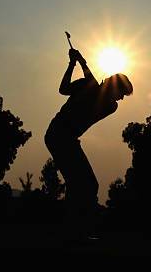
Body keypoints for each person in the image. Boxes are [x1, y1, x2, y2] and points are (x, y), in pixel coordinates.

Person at [44, 47, 133, 235]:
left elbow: (95, 90)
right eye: (122, 92)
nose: (121, 98)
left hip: (66, 138)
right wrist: (72, 64)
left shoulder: (110, 105)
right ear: (114, 86)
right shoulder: (88, 85)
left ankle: (73, 230)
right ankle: (74, 231)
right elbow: (63, 89)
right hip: (58, 134)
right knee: (85, 184)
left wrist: (81, 61)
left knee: (82, 184)